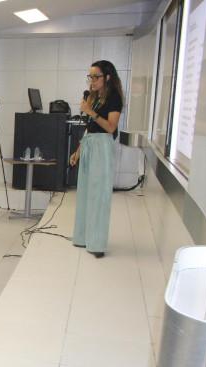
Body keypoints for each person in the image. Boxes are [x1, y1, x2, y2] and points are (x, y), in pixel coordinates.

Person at [69, 60, 124, 258]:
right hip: (90, 143)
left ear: (107, 77)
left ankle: (97, 243)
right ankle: (83, 237)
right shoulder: (94, 96)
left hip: (102, 145)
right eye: (90, 76)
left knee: (98, 195)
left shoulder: (114, 98)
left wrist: (90, 112)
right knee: (85, 193)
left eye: (95, 76)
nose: (91, 80)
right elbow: (89, 128)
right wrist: (78, 150)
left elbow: (110, 127)